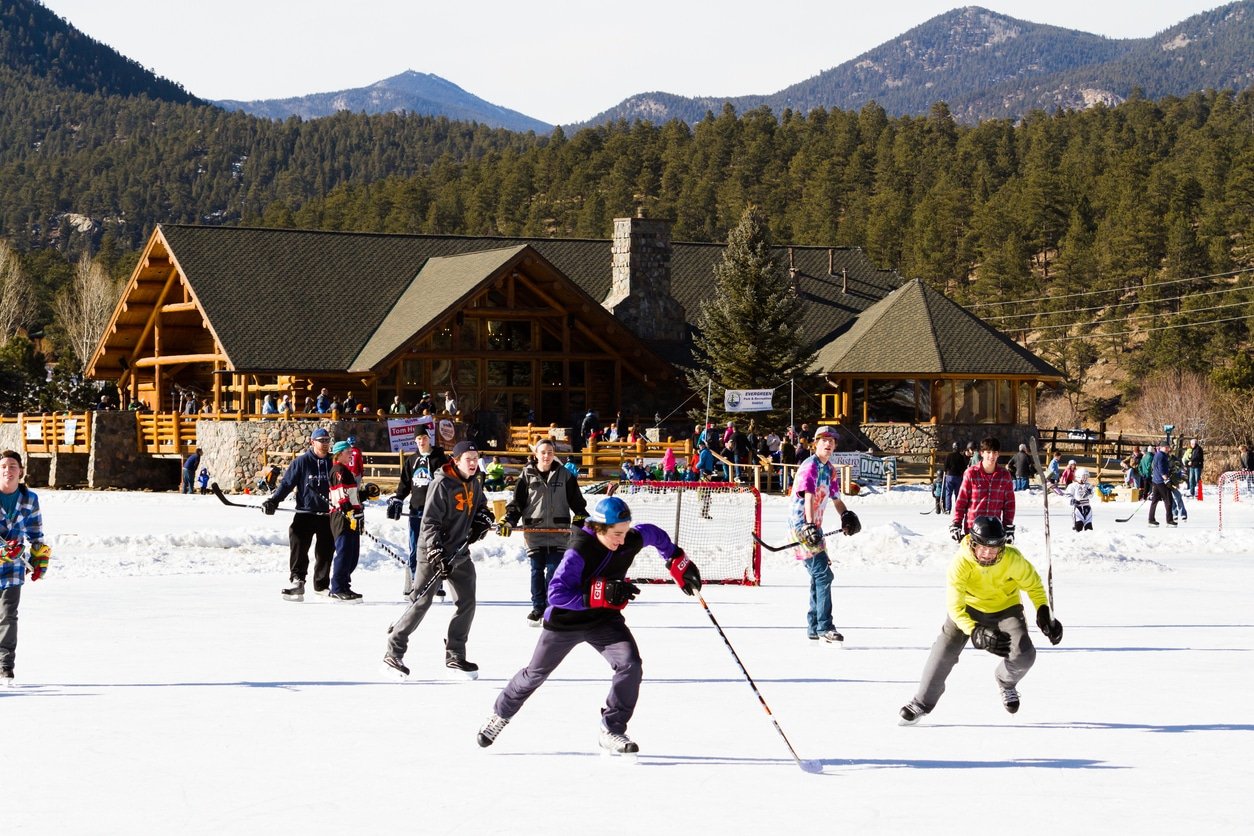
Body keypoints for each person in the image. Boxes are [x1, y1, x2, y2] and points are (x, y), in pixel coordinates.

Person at [474, 495, 703, 754]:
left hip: (604, 620)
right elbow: (556, 594)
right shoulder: (579, 550)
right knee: (535, 674)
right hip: (565, 622)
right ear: (599, 528)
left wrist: (677, 561)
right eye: (617, 533)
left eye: (626, 532)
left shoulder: (629, 540)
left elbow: (654, 534)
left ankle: (613, 729)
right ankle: (500, 715)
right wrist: (600, 594)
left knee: (631, 665)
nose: (623, 540)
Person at [898, 516, 1063, 725]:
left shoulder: (1012, 559)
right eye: (983, 547)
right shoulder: (960, 563)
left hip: (1006, 608)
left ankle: (1006, 682)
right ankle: (921, 703)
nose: (988, 554)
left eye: (994, 549)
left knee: (1025, 655)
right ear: (973, 543)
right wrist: (976, 632)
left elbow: (1034, 585)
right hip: (967, 610)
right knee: (943, 651)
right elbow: (955, 608)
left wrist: (1042, 610)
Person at [382, 440, 492, 680]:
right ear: (456, 460)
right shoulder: (441, 484)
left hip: (459, 551)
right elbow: (429, 522)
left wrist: (483, 518)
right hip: (433, 551)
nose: (473, 463)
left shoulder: (474, 482)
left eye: (475, 459)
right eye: (468, 459)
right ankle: (394, 649)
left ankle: (455, 654)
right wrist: (435, 552)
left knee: (467, 601)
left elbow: (481, 507)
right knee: (422, 601)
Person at [503, 438, 589, 625]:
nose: (546, 456)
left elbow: (579, 505)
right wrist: (509, 521)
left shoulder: (565, 475)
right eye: (543, 452)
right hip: (534, 531)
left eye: (550, 452)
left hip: (559, 532)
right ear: (536, 454)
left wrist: (579, 521)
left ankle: (551, 607)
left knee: (553, 570)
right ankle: (537, 608)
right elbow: (517, 503)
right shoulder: (527, 475)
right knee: (536, 570)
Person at [789, 426, 861, 644]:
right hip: (802, 526)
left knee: (818, 574)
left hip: (814, 528)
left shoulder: (830, 469)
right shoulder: (809, 466)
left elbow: (836, 499)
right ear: (815, 443)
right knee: (823, 575)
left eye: (832, 441)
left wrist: (846, 516)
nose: (828, 444)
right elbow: (809, 498)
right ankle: (824, 627)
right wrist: (809, 527)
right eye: (824, 441)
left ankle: (814, 626)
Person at [263, 427, 335, 600]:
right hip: (305, 512)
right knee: (298, 543)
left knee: (325, 551)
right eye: (321, 440)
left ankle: (321, 585)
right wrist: (274, 501)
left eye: (327, 440)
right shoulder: (302, 462)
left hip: (328, 514)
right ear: (312, 442)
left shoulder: (334, 462)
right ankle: (297, 580)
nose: (325, 444)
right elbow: (287, 484)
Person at [0, 450, 51, 684]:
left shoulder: (30, 499)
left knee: (8, 616)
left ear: (20, 471)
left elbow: (35, 533)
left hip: (13, 568)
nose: (7, 470)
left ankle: (4, 666)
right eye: (3, 466)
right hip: (4, 556)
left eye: (12, 466)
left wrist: (39, 558)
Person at [388, 431, 448, 595]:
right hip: (416, 509)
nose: (422, 441)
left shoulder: (440, 460)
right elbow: (404, 484)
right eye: (419, 438)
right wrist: (398, 500)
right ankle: (416, 581)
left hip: (436, 510)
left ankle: (436, 583)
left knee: (435, 546)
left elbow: (448, 483)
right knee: (415, 547)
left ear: (430, 439)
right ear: (415, 440)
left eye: (425, 438)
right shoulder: (411, 460)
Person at [327, 440, 365, 601]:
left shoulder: (346, 470)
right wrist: (349, 510)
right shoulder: (338, 470)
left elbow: (351, 494)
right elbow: (341, 494)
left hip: (352, 516)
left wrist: (364, 495)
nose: (351, 454)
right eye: (348, 451)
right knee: (344, 552)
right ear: (340, 453)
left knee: (352, 554)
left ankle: (344, 585)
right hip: (342, 517)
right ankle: (337, 587)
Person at [1148, 442, 1177, 527]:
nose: (1168, 449)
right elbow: (1161, 469)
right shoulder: (1161, 456)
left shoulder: (1158, 455)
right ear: (1162, 447)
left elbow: (1154, 467)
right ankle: (1169, 520)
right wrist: (1166, 479)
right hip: (1161, 482)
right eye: (1166, 447)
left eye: (1168, 447)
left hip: (1156, 481)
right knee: (1168, 500)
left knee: (1154, 501)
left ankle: (1151, 519)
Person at [941, 442, 967, 514]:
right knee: (957, 494)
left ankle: (948, 509)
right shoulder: (961, 457)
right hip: (958, 477)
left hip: (950, 476)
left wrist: (946, 470)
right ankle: (958, 509)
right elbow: (964, 467)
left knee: (948, 493)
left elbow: (945, 466)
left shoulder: (949, 456)